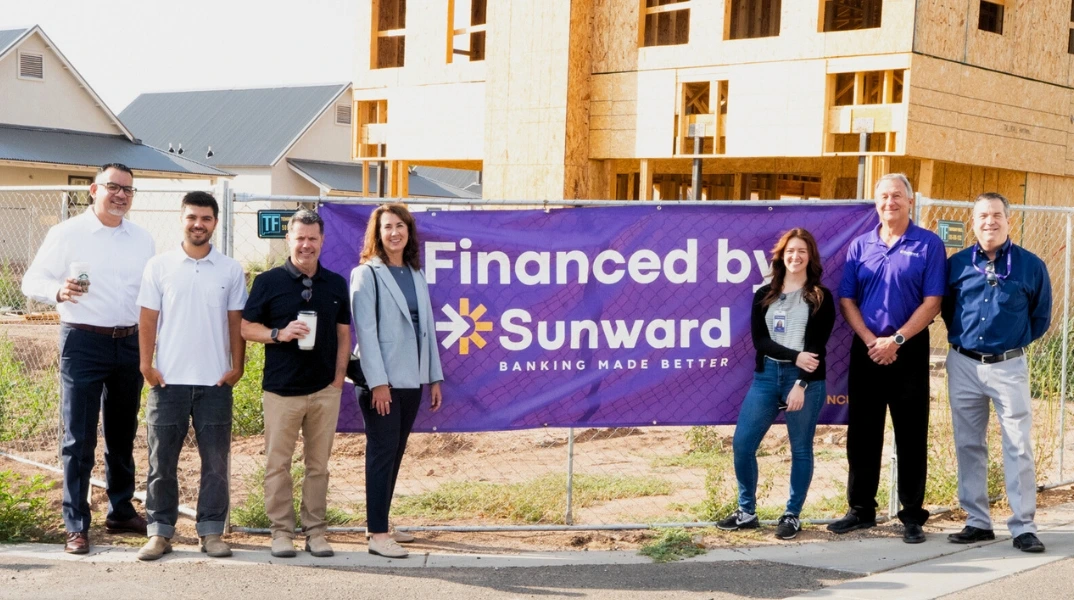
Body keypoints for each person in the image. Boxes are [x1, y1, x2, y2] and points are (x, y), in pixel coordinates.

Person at [21, 163, 154, 554]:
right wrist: (58, 292)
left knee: (122, 433)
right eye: (114, 187)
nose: (122, 196)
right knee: (78, 437)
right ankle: (76, 523)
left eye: (129, 190)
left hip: (128, 341)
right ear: (94, 190)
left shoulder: (142, 239)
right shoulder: (66, 234)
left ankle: (120, 511)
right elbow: (32, 280)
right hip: (83, 341)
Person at [831, 173, 947, 544]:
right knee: (863, 433)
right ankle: (861, 509)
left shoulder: (928, 245)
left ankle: (912, 515)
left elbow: (933, 302)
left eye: (897, 196)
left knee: (911, 434)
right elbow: (847, 299)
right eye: (883, 196)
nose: (889, 202)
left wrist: (895, 339)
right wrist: (871, 340)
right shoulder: (859, 246)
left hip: (908, 348)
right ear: (875, 202)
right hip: (866, 349)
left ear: (910, 201)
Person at [135, 192, 247, 561]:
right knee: (161, 461)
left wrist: (237, 366)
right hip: (167, 382)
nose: (198, 224)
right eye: (192, 217)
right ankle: (159, 532)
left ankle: (211, 531)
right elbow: (148, 318)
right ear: (181, 219)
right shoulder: (159, 266)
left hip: (215, 383)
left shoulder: (230, 269)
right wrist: (146, 366)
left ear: (215, 222)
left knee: (215, 462)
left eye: (206, 218)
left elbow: (236, 322)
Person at [942, 192, 1052, 553]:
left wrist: (1009, 344)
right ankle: (977, 521)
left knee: (1018, 444)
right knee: (968, 442)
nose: (990, 222)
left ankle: (1023, 526)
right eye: (983, 216)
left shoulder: (1030, 266)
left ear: (1009, 220)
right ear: (973, 222)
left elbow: (1040, 318)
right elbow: (947, 310)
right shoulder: (957, 264)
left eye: (996, 216)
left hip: (1008, 366)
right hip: (964, 363)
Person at [240, 209, 350, 559]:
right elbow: (245, 328)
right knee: (278, 465)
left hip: (323, 391)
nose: (306, 245)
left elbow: (344, 334)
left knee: (318, 466)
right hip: (281, 391)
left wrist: (337, 379)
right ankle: (281, 532)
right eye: (299, 238)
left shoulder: (335, 283)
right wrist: (278, 333)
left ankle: (316, 531)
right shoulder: (267, 282)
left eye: (312, 239)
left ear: (322, 241)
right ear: (288, 240)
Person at [717, 228, 835, 540]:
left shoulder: (820, 297)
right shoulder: (764, 294)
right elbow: (760, 342)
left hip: (804, 382)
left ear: (810, 258)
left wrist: (802, 384)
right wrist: (795, 357)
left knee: (800, 448)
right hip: (767, 377)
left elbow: (817, 349)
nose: (795, 257)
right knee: (743, 444)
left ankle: (792, 515)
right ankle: (747, 512)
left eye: (802, 252)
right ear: (781, 256)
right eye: (790, 251)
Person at [350, 203, 443, 559]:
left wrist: (432, 376)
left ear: (409, 232)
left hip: (412, 379)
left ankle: (383, 523)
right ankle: (376, 535)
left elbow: (427, 331)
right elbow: (367, 332)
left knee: (396, 452)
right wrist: (378, 383)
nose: (394, 233)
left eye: (400, 226)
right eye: (387, 227)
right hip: (382, 382)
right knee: (381, 453)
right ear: (377, 233)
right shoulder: (367, 274)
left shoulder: (415, 273)